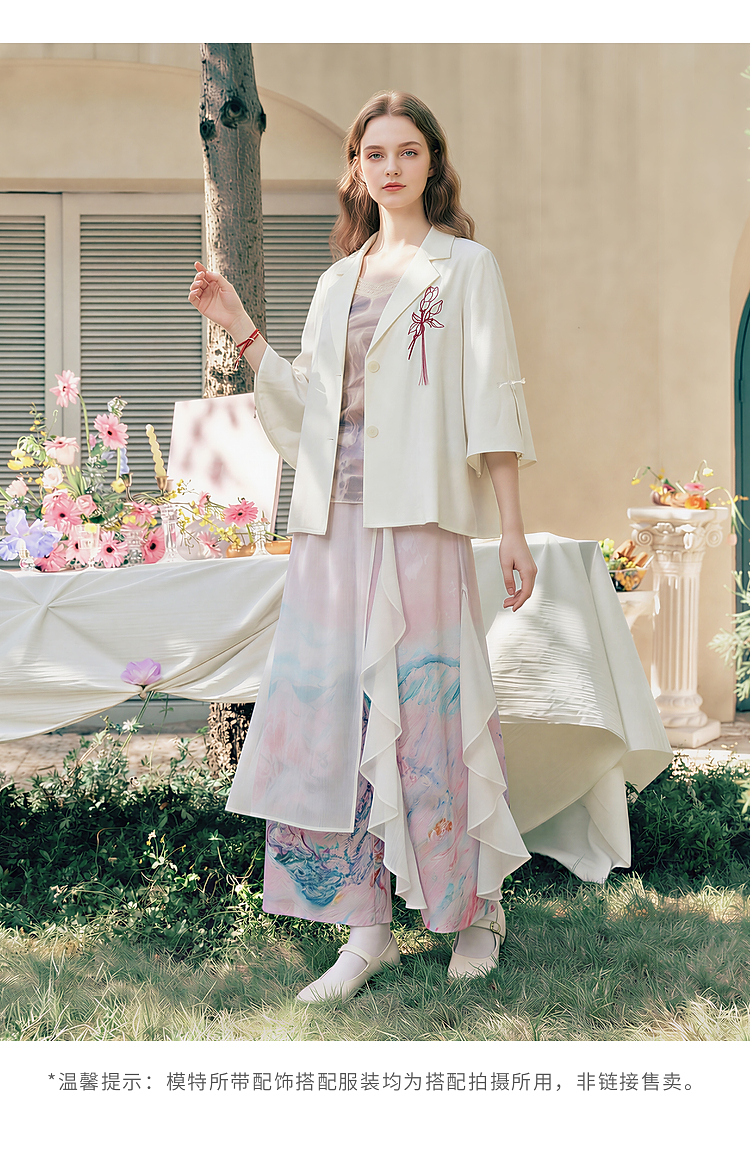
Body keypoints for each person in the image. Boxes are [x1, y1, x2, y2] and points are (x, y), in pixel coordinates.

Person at [188, 90, 537, 1003]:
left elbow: (494, 400)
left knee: (432, 711)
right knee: (337, 721)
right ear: (356, 169)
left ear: (433, 163)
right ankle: (363, 927)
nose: (390, 167)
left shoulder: (466, 269)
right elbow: (309, 407)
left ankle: (473, 910)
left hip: (421, 522)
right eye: (374, 153)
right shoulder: (336, 281)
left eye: (407, 151)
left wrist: (509, 525)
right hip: (333, 529)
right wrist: (240, 327)